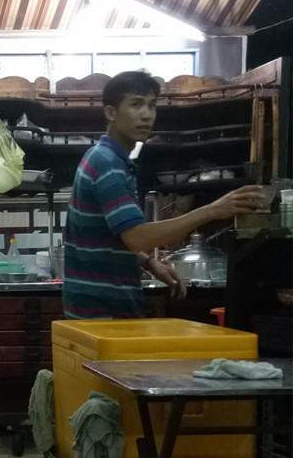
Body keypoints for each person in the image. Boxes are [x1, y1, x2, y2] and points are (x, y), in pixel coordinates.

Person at [62, 70, 262, 320]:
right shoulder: (108, 163)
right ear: (111, 113)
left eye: (152, 105)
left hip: (99, 309)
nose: (147, 115)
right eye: (136, 105)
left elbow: (112, 237)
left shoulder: (108, 159)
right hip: (102, 313)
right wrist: (212, 210)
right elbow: (136, 237)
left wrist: (149, 263)